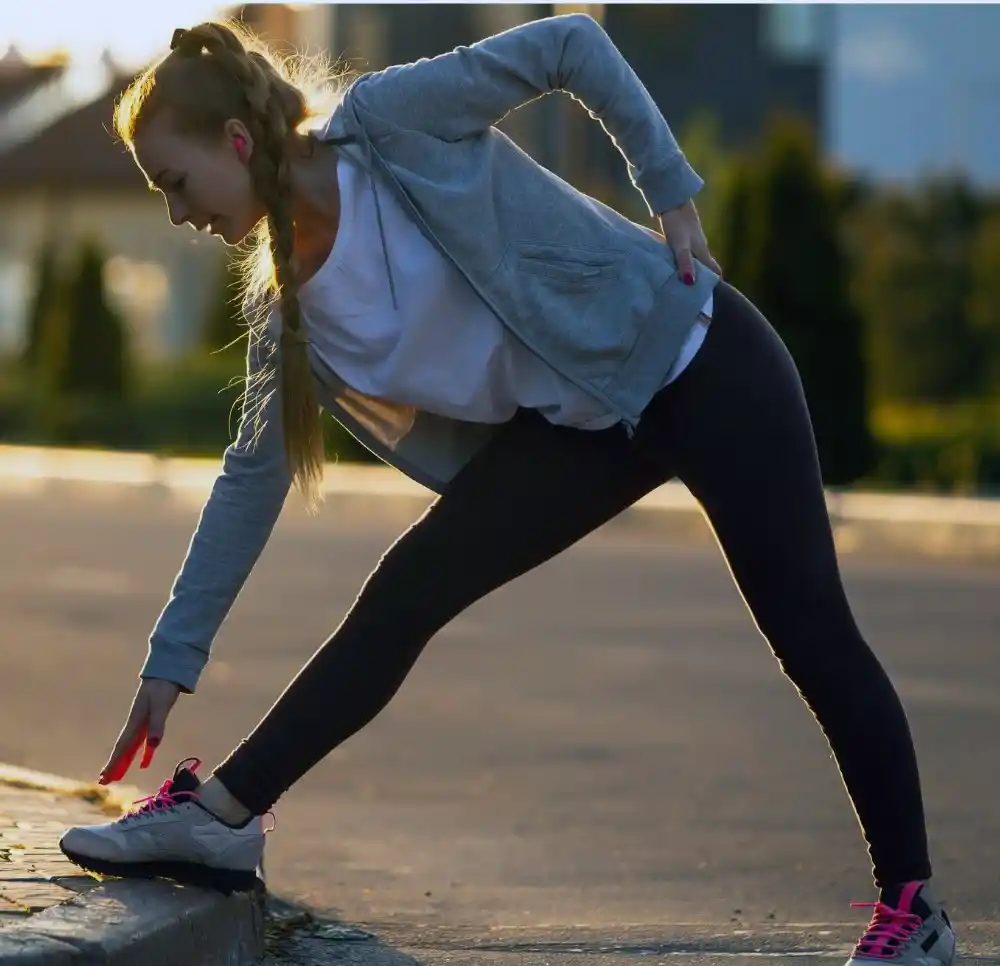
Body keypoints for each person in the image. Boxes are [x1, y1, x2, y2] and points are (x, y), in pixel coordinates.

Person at [57, 14, 954, 966]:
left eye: (176, 183)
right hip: (584, 428)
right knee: (408, 591)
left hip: (698, 362)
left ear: (237, 144)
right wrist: (171, 658)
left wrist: (672, 193)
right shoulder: (290, 311)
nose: (178, 215)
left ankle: (914, 911)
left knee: (810, 632)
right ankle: (224, 816)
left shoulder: (388, 126)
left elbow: (571, 43)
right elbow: (249, 484)